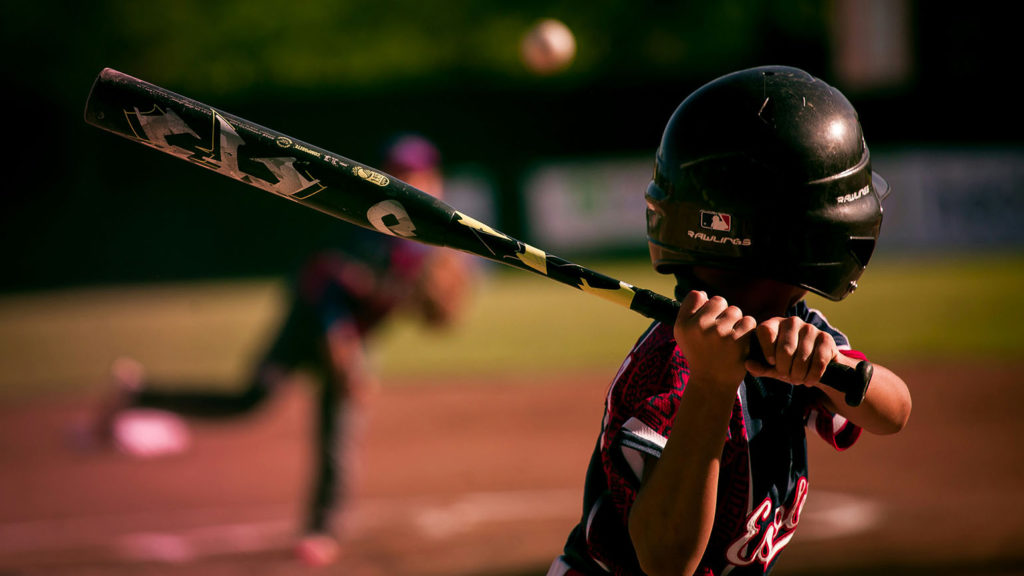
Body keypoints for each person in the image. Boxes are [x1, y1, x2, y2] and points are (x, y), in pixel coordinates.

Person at [546, 66, 912, 576]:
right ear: (801, 231)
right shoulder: (668, 368)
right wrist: (713, 385)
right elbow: (666, 560)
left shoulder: (795, 328)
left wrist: (828, 369)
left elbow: (894, 412)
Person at [91, 133, 473, 566]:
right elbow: (327, 284)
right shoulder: (367, 225)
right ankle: (141, 395)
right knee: (249, 399)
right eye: (402, 171)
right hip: (307, 325)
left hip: (353, 337)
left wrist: (434, 306)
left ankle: (321, 529)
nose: (412, 179)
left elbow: (429, 311)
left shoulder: (431, 242)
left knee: (337, 432)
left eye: (420, 172)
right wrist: (342, 347)